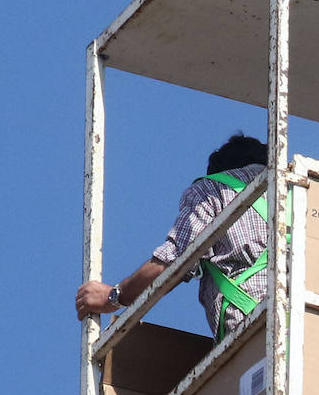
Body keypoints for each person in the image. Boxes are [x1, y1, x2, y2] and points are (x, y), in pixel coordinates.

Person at [75, 134, 269, 340]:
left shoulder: (213, 189)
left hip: (252, 330)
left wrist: (114, 296)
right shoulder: (295, 190)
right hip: (302, 317)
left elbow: (175, 260)